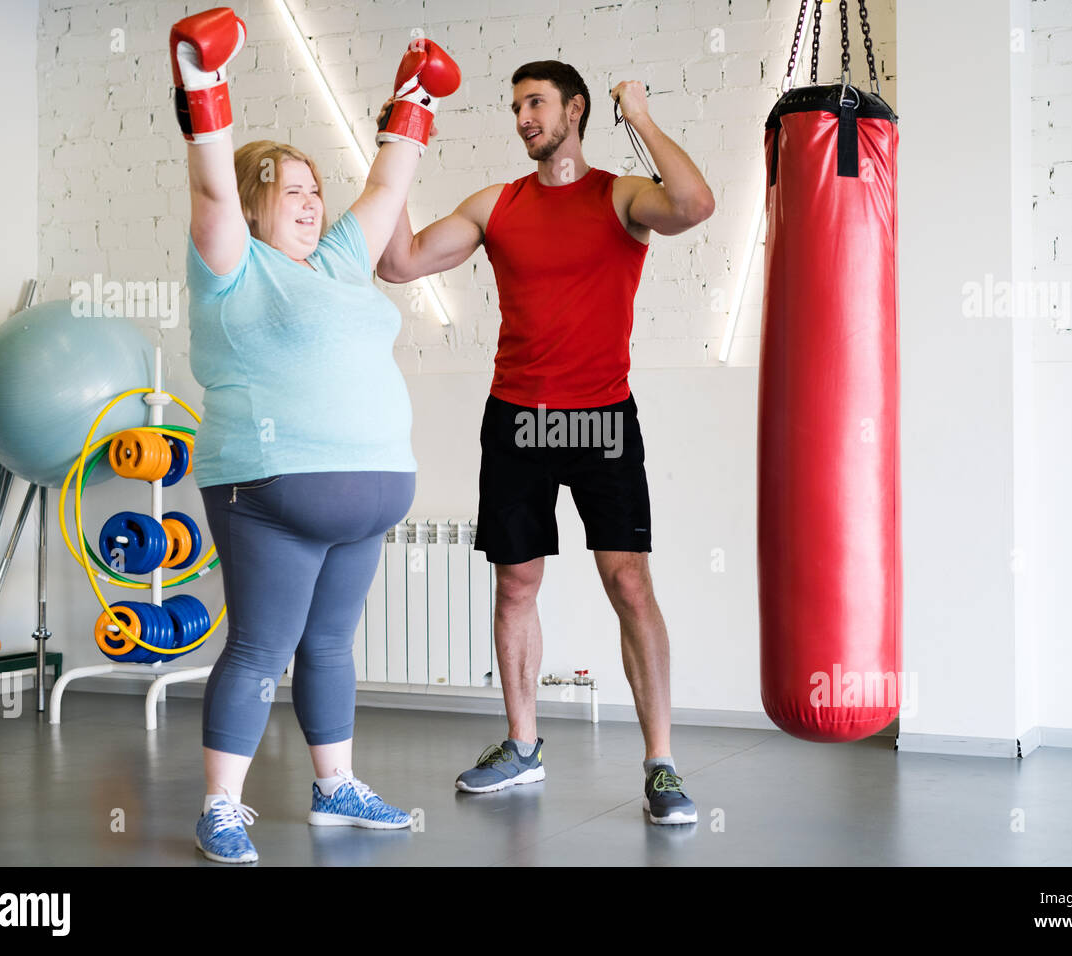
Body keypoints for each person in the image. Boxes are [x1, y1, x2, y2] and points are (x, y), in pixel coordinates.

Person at [377, 61, 714, 824]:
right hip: (518, 418)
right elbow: (397, 262)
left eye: (536, 103)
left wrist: (644, 117)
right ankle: (522, 746)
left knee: (630, 585)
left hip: (600, 418)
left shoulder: (621, 194)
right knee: (515, 585)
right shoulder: (497, 204)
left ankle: (661, 763)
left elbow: (694, 203)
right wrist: (398, 139)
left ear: (576, 110)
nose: (524, 118)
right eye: (517, 106)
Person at [173, 7, 460, 862]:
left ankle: (335, 788)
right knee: (261, 647)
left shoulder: (337, 263)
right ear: (259, 201)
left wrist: (413, 99)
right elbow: (212, 186)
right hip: (266, 488)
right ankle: (220, 806)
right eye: (290, 189)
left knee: (331, 643)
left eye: (314, 188)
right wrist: (202, 79)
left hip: (366, 495)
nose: (311, 201)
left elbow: (384, 192)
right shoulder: (231, 264)